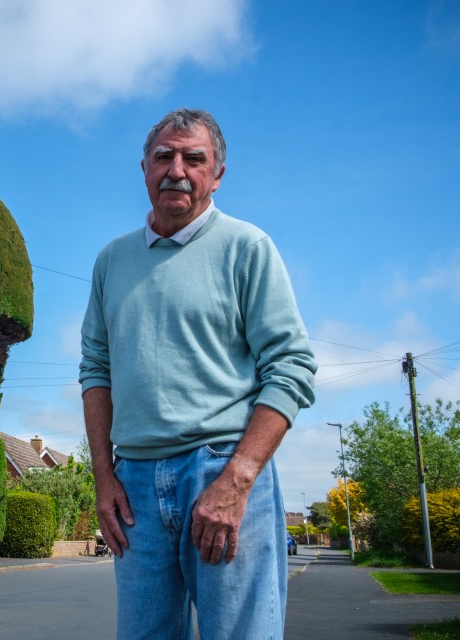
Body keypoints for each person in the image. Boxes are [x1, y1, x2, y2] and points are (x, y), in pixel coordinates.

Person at [79, 108, 316, 639]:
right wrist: (103, 477)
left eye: (194, 158)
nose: (177, 170)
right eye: (164, 156)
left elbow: (292, 365)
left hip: (223, 469)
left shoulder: (247, 247)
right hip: (133, 484)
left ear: (217, 174)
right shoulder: (111, 261)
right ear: (144, 168)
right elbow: (96, 369)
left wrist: (237, 481)